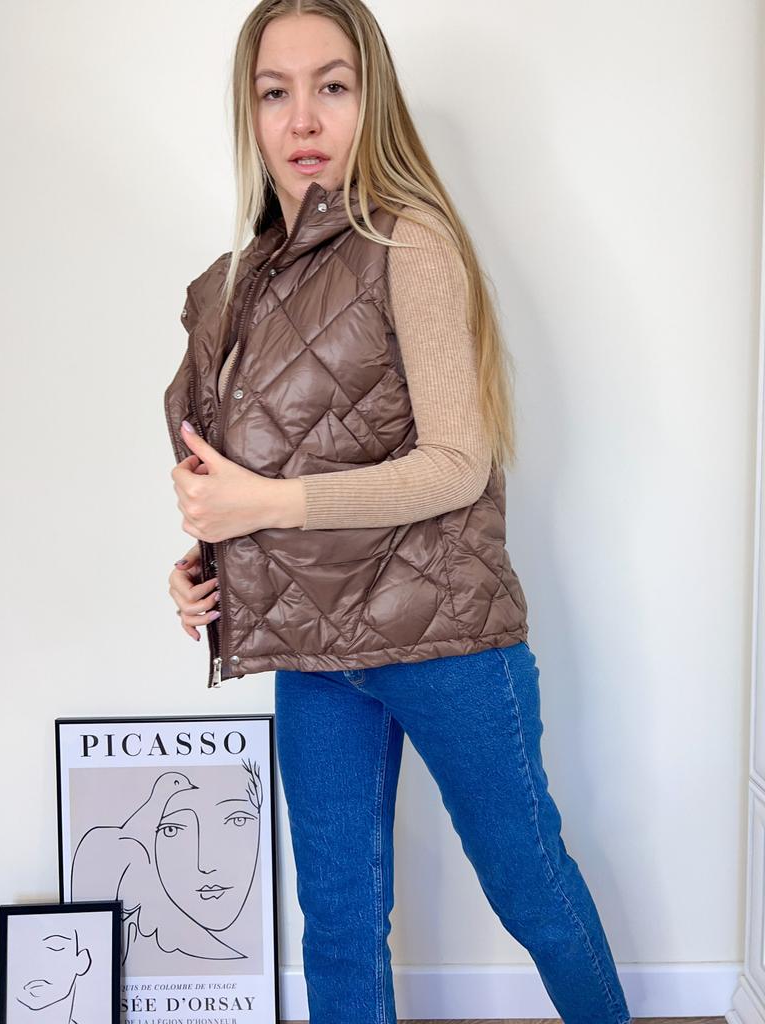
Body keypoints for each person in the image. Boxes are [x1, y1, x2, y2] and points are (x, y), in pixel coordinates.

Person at [165, 2, 633, 1022]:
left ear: (371, 98)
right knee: (336, 927)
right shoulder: (236, 285)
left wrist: (265, 502)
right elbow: (231, 471)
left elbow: (457, 466)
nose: (303, 118)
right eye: (274, 92)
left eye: (331, 86)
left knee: (533, 894)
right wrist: (202, 564)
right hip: (312, 652)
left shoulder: (405, 242)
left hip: (448, 641)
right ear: (249, 113)